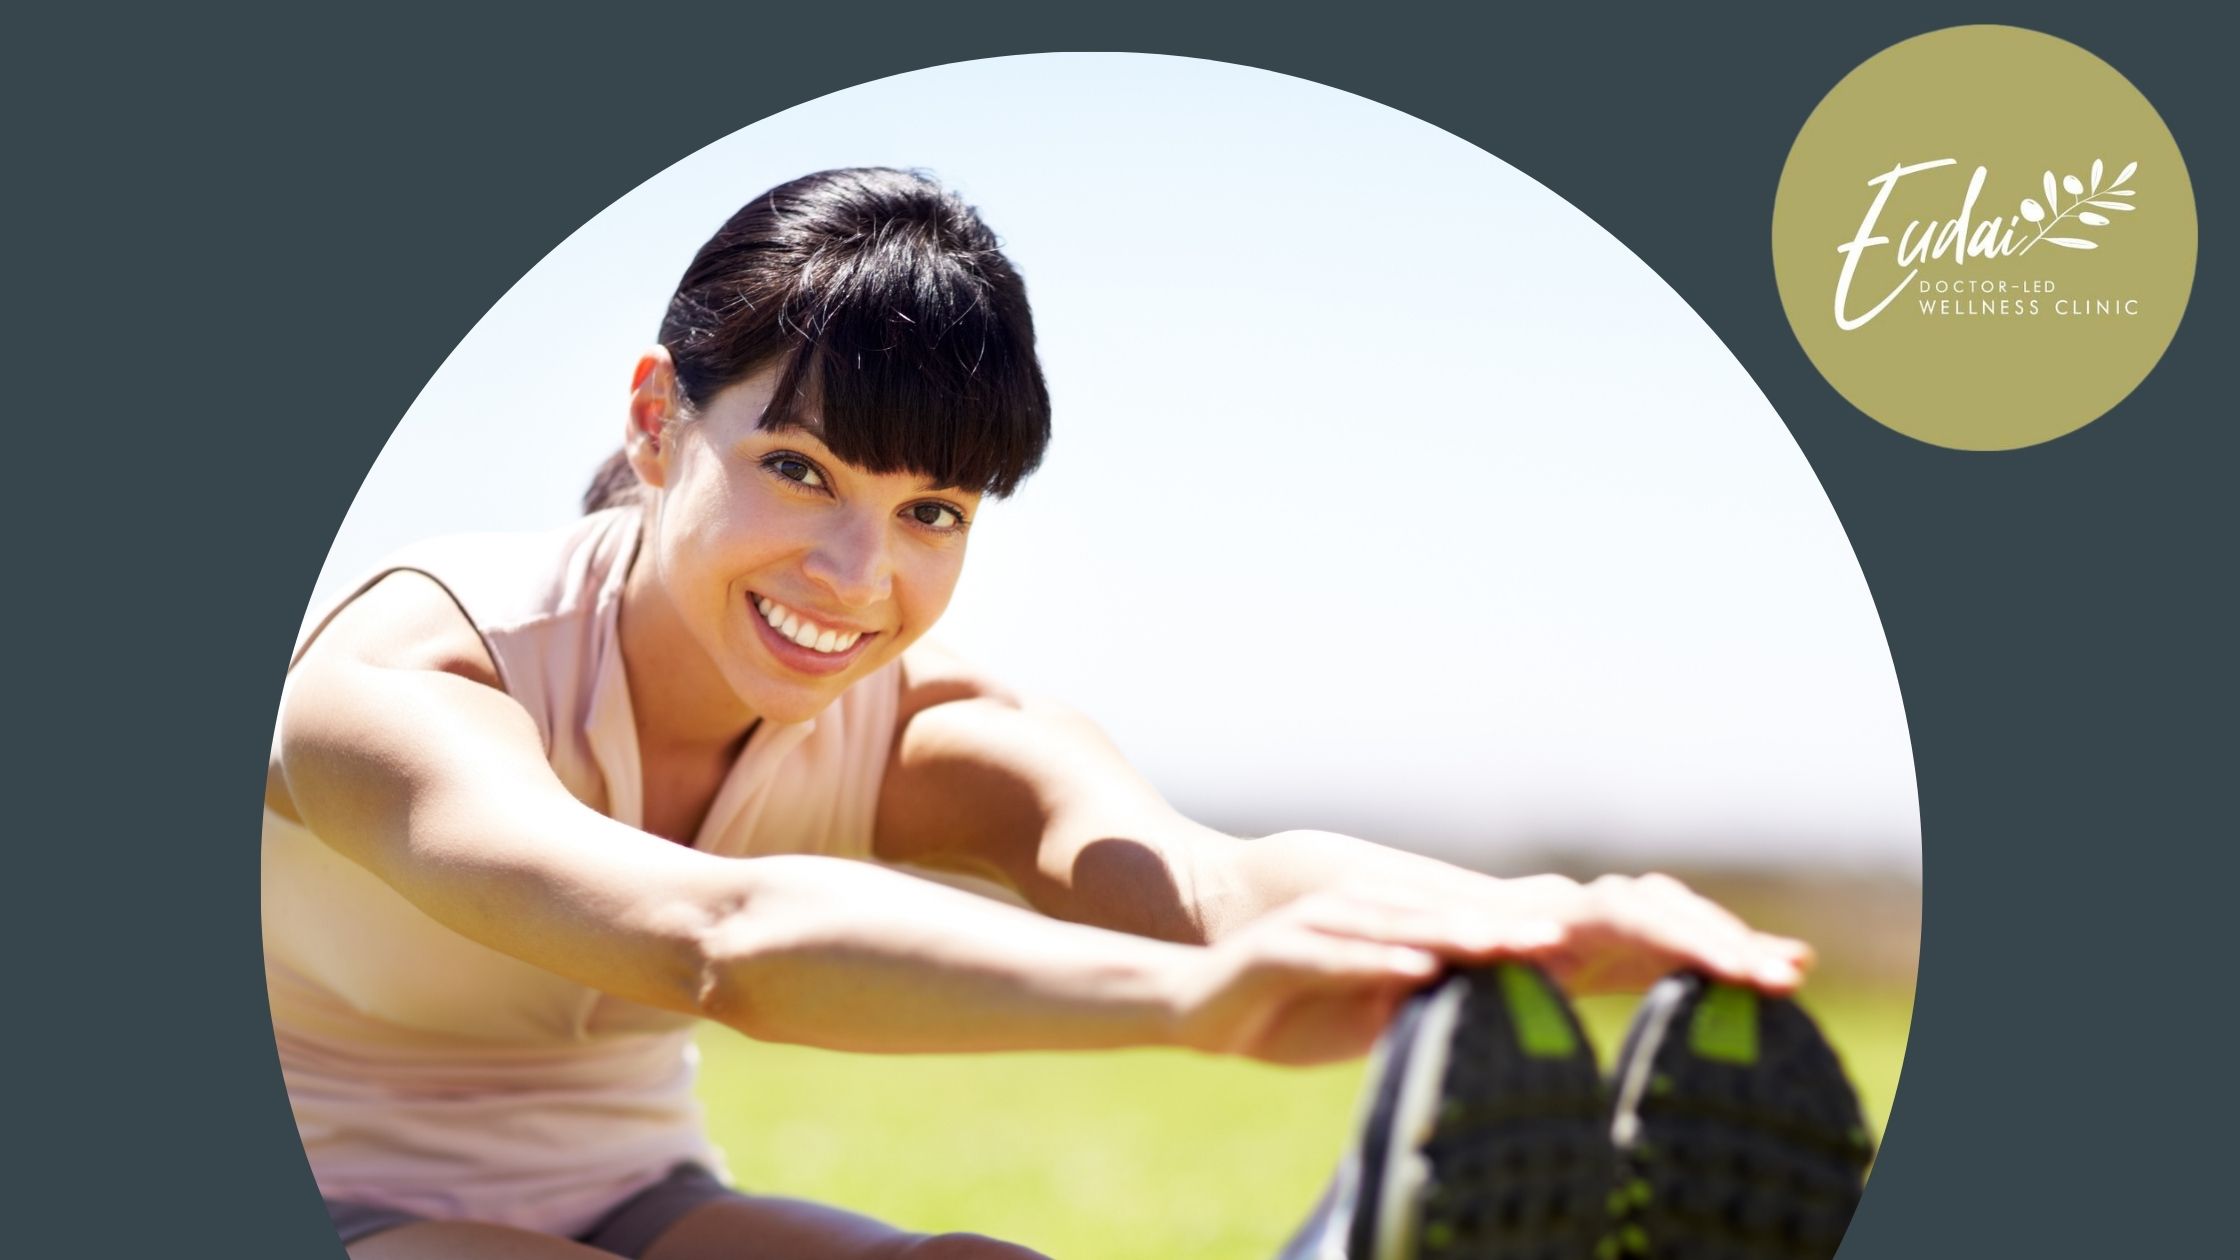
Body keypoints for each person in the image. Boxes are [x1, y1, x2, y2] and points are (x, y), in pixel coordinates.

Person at [265, 167, 1817, 1260]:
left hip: (630, 1190)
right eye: (797, 469)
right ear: (660, 418)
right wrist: (1180, 1009)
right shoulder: (408, 675)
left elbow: (1198, 881)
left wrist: (1542, 922)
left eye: (931, 509)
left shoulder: (915, 719)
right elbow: (710, 935)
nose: (855, 574)